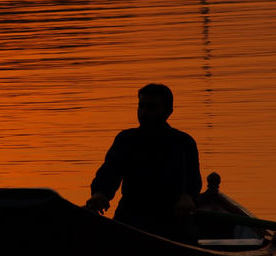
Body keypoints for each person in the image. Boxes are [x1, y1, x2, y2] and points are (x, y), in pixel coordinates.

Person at [85, 83, 201, 237]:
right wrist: (99, 194)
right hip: (131, 217)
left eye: (152, 107)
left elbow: (192, 179)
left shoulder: (183, 142)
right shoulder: (126, 139)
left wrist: (187, 197)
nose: (144, 112)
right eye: (141, 106)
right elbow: (110, 172)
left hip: (171, 219)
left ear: (168, 112)